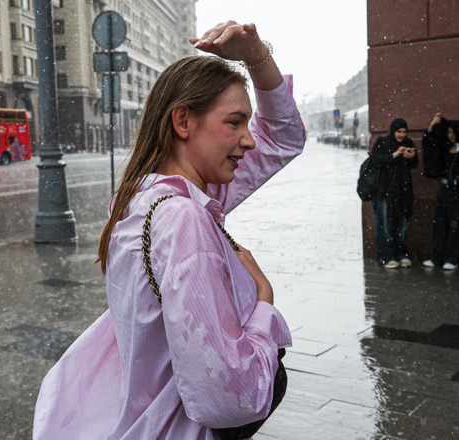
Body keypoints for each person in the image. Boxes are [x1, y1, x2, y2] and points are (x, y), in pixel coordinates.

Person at [32, 21, 305, 439]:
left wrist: (255, 57)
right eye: (234, 122)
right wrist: (264, 306)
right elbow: (230, 399)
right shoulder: (181, 216)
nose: (248, 140)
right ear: (183, 121)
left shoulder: (144, 199)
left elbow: (283, 138)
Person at [421, 112, 459, 270]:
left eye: (453, 132)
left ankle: (452, 259)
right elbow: (429, 143)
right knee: (440, 225)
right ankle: (437, 258)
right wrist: (432, 125)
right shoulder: (444, 148)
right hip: (444, 190)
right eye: (449, 132)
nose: (451, 135)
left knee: (455, 226)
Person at [370, 118, 418, 268]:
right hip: (384, 191)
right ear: (393, 131)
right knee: (385, 224)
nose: (401, 135)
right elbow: (376, 161)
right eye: (399, 131)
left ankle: (401, 254)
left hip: (403, 192)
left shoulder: (408, 143)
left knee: (402, 224)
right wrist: (394, 155)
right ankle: (385, 256)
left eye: (404, 132)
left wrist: (412, 158)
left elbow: (414, 165)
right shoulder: (382, 142)